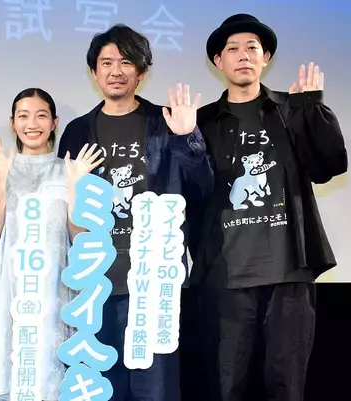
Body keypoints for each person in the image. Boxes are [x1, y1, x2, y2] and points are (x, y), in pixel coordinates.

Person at [187, 13, 347, 401]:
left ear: (266, 57)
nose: (243, 55)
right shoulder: (200, 122)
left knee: (287, 386)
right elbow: (192, 190)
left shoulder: (293, 110)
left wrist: (313, 110)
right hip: (224, 275)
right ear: (218, 61)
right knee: (225, 387)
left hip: (288, 271)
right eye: (233, 49)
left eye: (252, 48)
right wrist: (180, 139)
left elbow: (329, 166)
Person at [57, 24, 214, 400]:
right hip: (97, 283)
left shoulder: (165, 122)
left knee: (155, 391)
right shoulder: (78, 131)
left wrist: (187, 138)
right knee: (102, 389)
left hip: (154, 284)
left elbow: (203, 188)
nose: (116, 70)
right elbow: (66, 208)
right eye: (106, 62)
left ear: (141, 72)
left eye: (126, 62)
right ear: (94, 72)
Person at [0, 88, 104, 401]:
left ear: (54, 122)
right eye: (23, 116)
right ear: (12, 123)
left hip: (53, 289)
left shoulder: (68, 169)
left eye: (41, 115)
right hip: (8, 288)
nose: (32, 124)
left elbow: (78, 236)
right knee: (11, 371)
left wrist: (76, 185)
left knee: (50, 374)